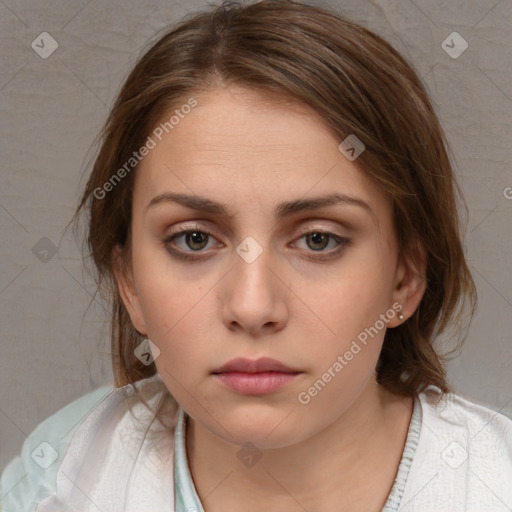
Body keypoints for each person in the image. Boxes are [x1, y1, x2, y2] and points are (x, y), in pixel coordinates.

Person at [2, 0, 511, 511]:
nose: (252, 307)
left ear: (405, 277)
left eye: (318, 239)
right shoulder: (63, 479)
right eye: (194, 239)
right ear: (129, 282)